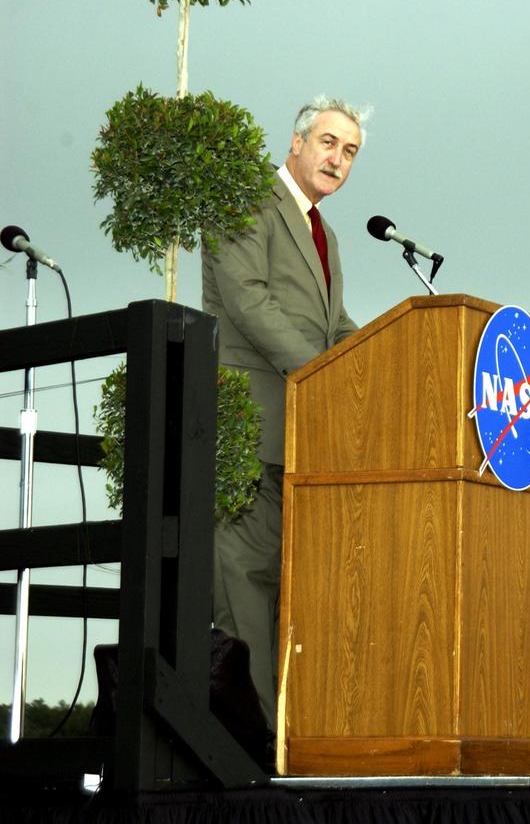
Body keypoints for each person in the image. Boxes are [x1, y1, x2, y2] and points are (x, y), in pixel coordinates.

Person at [201, 96, 368, 731]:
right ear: (295, 144)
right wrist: (322, 375)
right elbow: (249, 303)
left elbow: (334, 323)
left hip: (303, 434)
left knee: (278, 591)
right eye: (328, 143)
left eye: (349, 152)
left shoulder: (325, 232)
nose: (337, 159)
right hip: (251, 426)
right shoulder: (246, 200)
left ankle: (283, 739)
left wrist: (377, 364)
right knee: (241, 582)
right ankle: (252, 746)